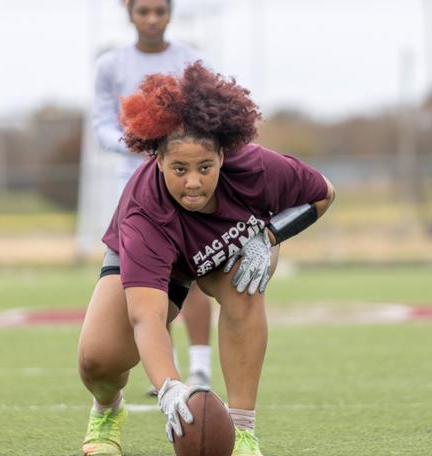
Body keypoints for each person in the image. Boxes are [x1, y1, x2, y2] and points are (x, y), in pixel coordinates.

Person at [78, 62, 335, 456]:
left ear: (223, 155)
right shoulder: (143, 213)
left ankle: (243, 431)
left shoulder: (255, 166)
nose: (193, 182)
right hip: (164, 259)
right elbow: (145, 317)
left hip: (226, 251)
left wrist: (268, 235)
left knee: (246, 282)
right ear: (157, 160)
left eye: (205, 167)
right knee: (99, 360)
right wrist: (169, 385)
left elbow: (323, 193)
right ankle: (107, 411)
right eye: (179, 169)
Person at [92, 0, 214, 392]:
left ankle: (200, 368)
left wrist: (179, 153)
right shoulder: (111, 65)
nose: (151, 19)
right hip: (135, 189)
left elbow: (207, 121)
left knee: (194, 272)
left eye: (159, 11)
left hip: (185, 184)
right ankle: (168, 364)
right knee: (149, 277)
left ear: (170, 13)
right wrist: (137, 142)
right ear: (129, 12)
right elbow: (102, 126)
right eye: (143, 11)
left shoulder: (191, 61)